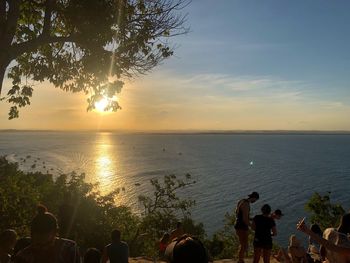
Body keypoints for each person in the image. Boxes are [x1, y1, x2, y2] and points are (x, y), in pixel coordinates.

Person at [14, 204, 80, 263]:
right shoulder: (23, 257)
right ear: (31, 237)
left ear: (56, 233)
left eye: (48, 244)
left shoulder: (69, 250)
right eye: (38, 245)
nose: (43, 249)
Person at [234, 191, 259, 263]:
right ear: (254, 198)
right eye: (256, 200)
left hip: (238, 224)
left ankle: (240, 259)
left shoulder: (241, 201)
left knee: (242, 244)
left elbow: (238, 214)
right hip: (242, 226)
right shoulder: (246, 204)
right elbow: (244, 219)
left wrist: (251, 218)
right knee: (244, 244)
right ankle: (240, 260)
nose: (255, 201)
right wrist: (252, 226)